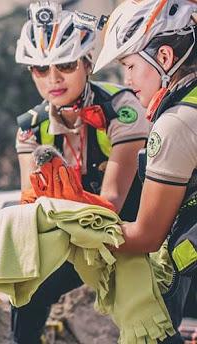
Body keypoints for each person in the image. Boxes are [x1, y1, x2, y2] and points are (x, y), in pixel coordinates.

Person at [12, 2, 152, 343]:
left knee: (151, 321)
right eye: (40, 69)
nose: (53, 79)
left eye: (65, 64)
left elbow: (112, 200)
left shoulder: (122, 108)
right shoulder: (30, 128)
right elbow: (31, 209)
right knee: (25, 291)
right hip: (74, 238)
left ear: (87, 63)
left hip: (131, 232)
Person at [93, 0, 197, 341]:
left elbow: (146, 237)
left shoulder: (177, 124)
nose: (127, 79)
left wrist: (76, 232)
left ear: (164, 59)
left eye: (131, 65)